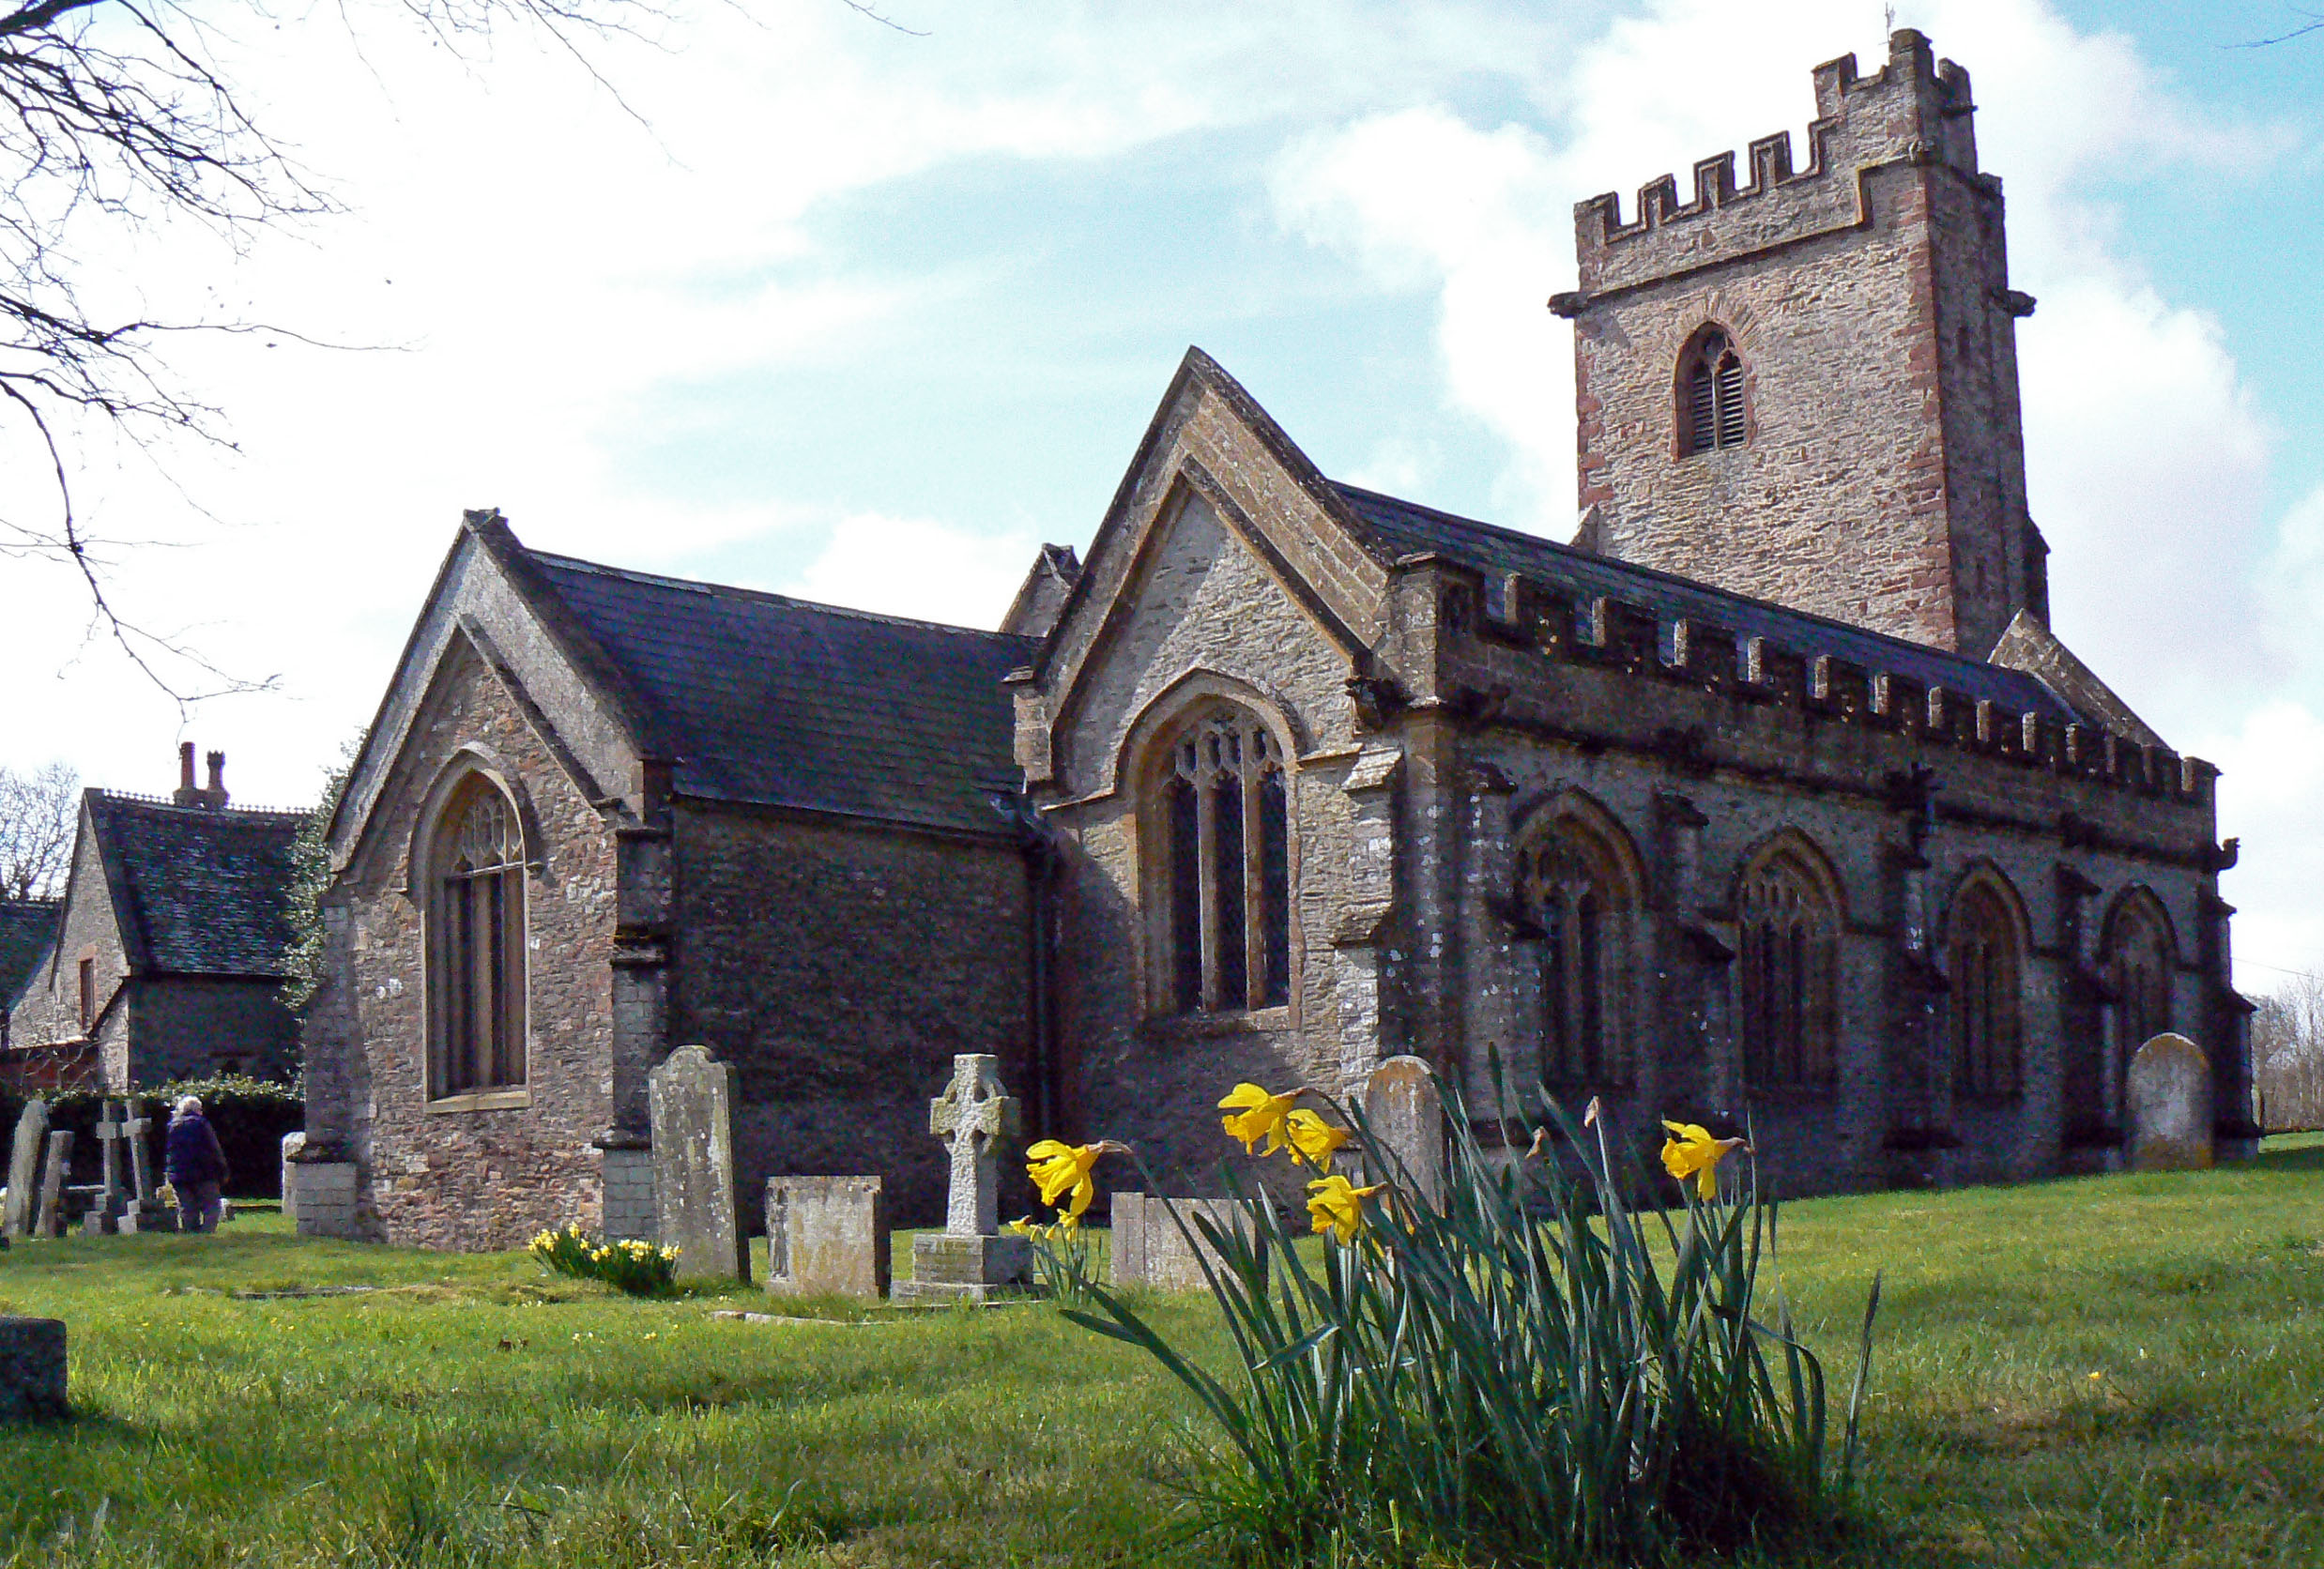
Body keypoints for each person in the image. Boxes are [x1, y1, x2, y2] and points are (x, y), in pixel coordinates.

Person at [166, 1096, 229, 1234]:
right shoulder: (202, 1124)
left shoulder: (172, 1126)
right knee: (211, 1205)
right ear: (197, 1109)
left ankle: (191, 1234)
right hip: (204, 1172)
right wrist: (222, 1168)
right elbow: (214, 1148)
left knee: (187, 1208)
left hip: (179, 1174)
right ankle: (207, 1233)